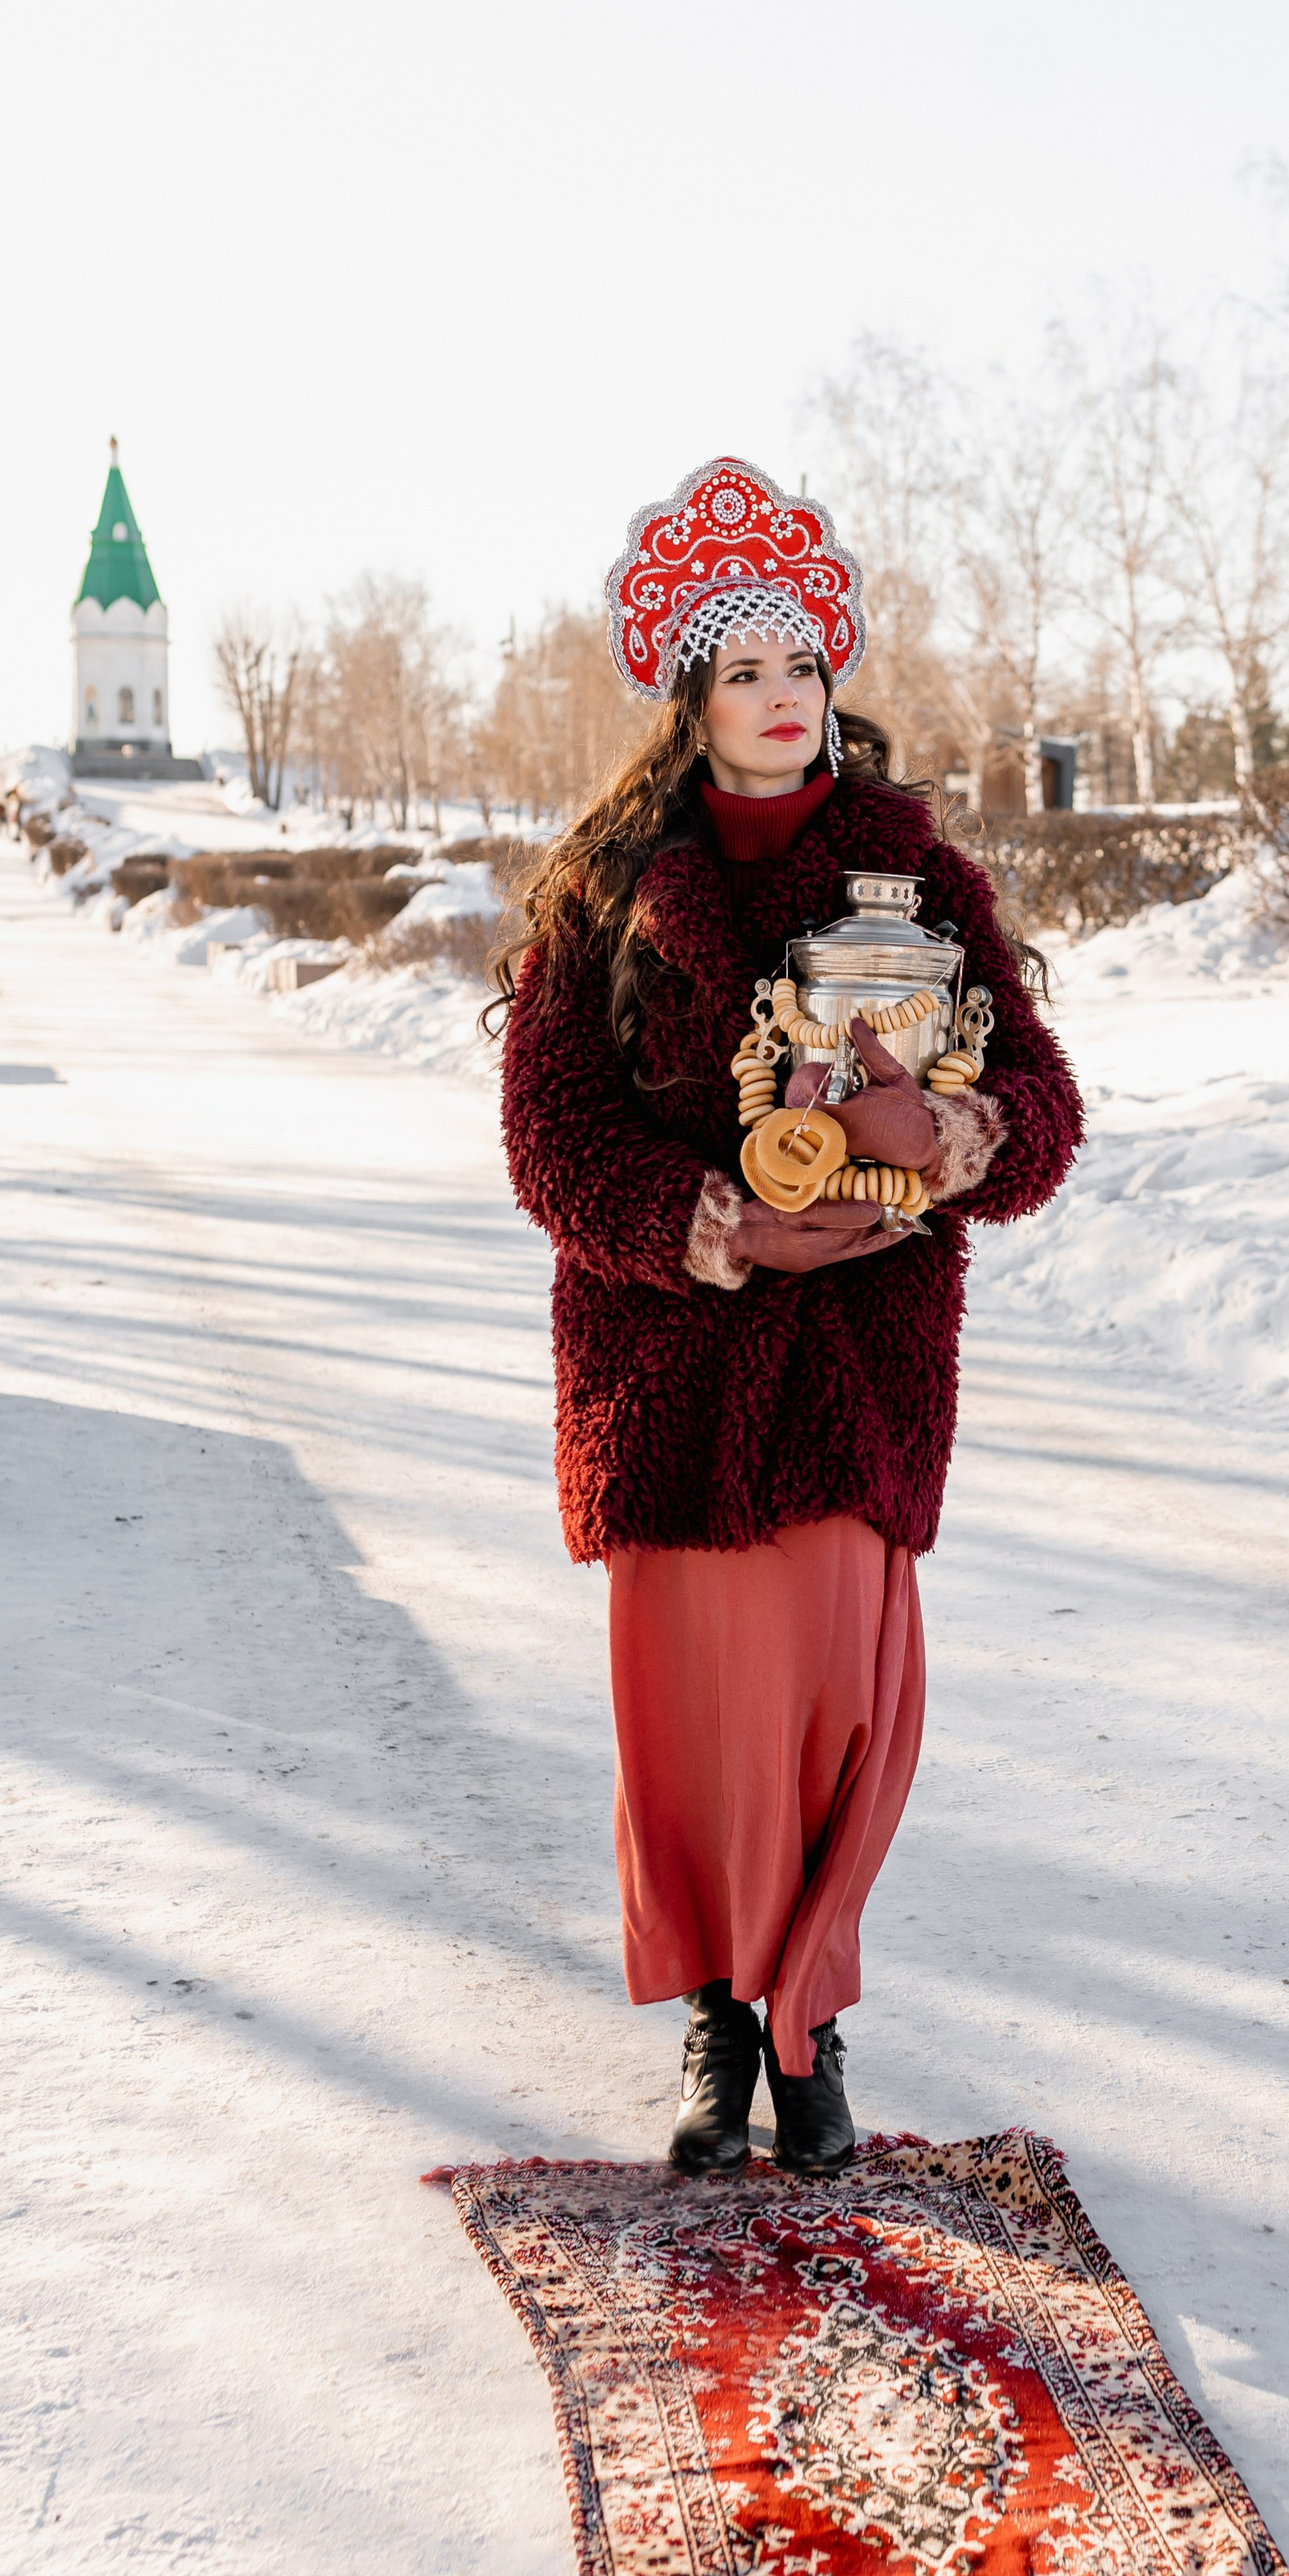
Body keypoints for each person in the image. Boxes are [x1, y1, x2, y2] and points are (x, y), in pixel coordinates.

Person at [493, 455, 1083, 2175]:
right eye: (741, 673)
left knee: (837, 1714)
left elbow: (1039, 1094)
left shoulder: (916, 881)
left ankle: (811, 2021)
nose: (777, 698)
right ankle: (716, 2022)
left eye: (799, 669)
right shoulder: (601, 891)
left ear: (833, 685)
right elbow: (549, 1131)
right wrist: (703, 1226)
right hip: (669, 1367)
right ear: (688, 706)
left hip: (852, 1376)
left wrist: (961, 1138)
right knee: (691, 1727)